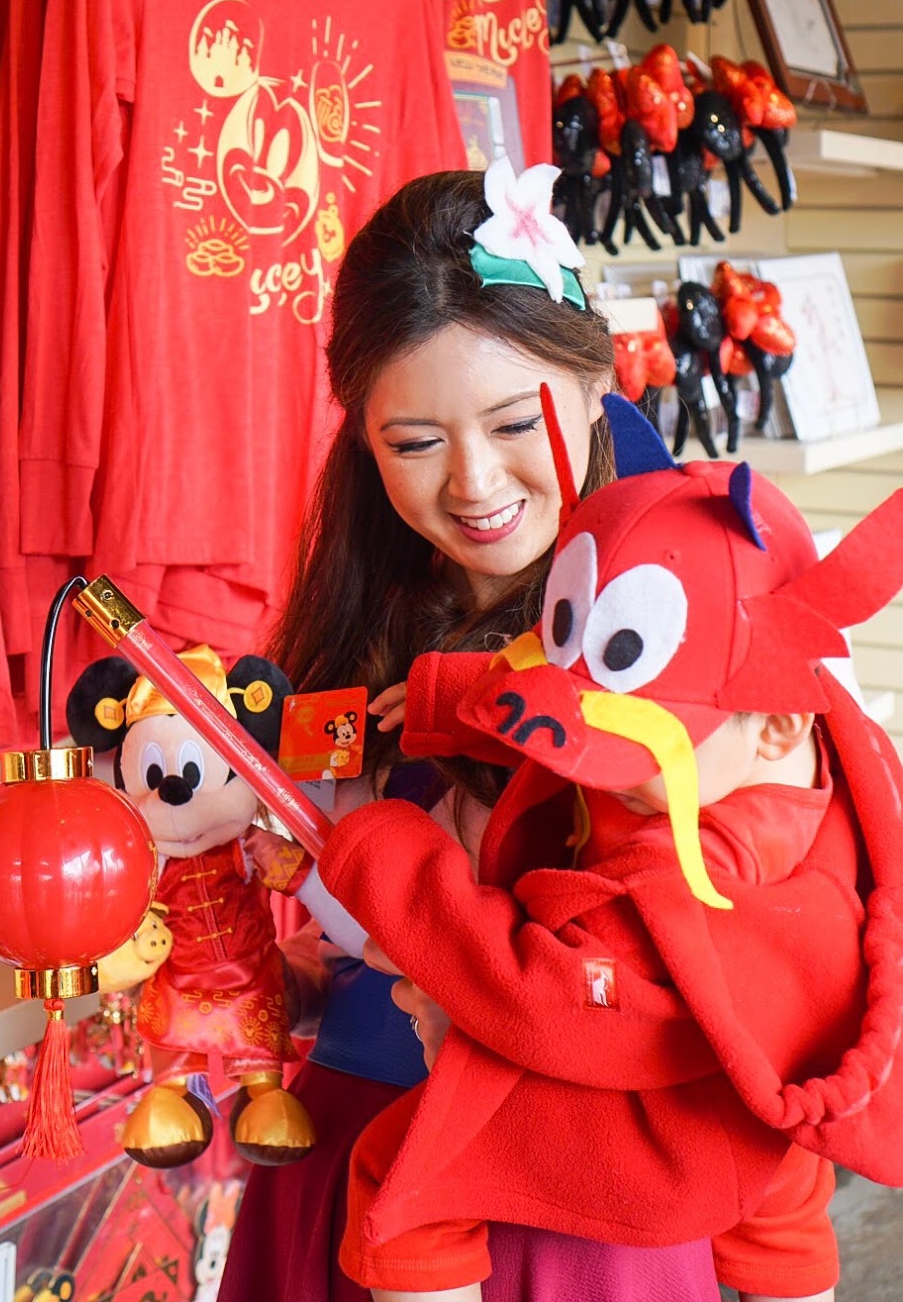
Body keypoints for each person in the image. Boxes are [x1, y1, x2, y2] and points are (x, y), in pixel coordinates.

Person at [217, 162, 837, 1302]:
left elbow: (766, 942)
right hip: (353, 1149)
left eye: (513, 422)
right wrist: (275, 967)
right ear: (362, 435)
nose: (473, 482)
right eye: (413, 442)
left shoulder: (704, 608)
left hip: (589, 1190)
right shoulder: (362, 618)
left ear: (597, 381)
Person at [323, 386, 903, 1300]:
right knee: (786, 1216)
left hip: (671, 1126)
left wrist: (381, 847)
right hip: (772, 1084)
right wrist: (453, 704)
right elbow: (592, 679)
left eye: (631, 751)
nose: (596, 767)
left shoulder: (693, 874)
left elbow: (542, 997)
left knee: (405, 1178)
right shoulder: (812, 743)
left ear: (777, 724)